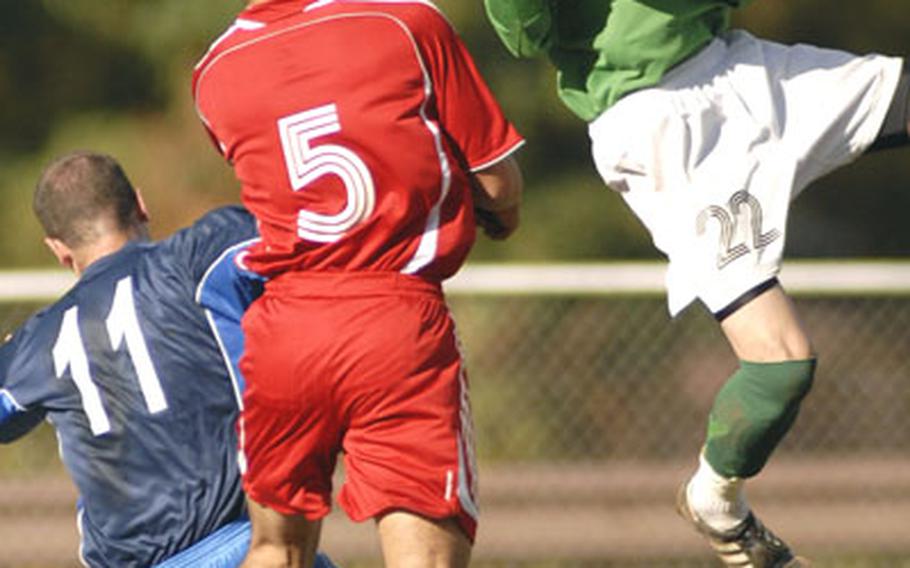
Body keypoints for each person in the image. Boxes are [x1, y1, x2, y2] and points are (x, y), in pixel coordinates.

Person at [483, 1, 910, 566]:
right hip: (664, 127)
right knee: (782, 366)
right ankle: (715, 497)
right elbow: (521, 35)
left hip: (736, 68)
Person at [192, 1, 525, 566]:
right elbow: (497, 185)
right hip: (396, 319)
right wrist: (495, 214)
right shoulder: (405, 21)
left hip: (284, 329)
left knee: (276, 549)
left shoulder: (214, 71)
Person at [0, 151, 336, 568]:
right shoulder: (200, 254)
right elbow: (312, 240)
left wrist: (14, 353)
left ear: (58, 249)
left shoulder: (40, 339)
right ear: (140, 205)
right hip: (249, 546)